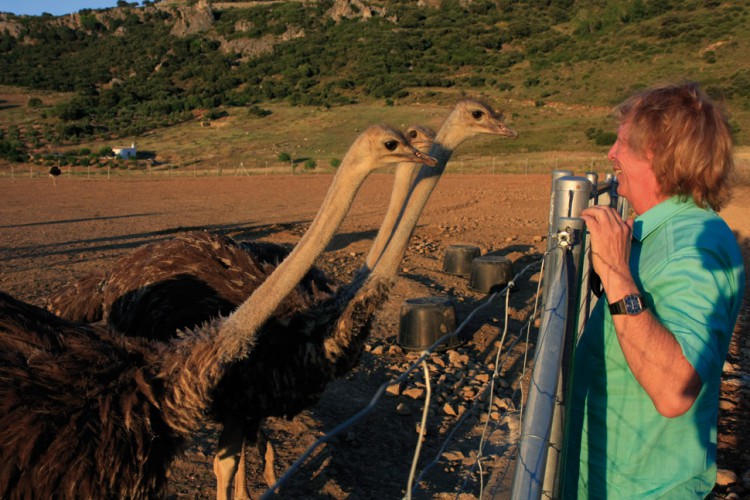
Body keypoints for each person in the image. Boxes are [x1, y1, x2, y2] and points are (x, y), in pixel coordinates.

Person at [561, 81, 746, 498]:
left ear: (656, 154)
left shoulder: (695, 247)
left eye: (622, 142)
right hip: (608, 476)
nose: (611, 153)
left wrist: (615, 272)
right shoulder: (663, 230)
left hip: (642, 489)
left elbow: (674, 391)